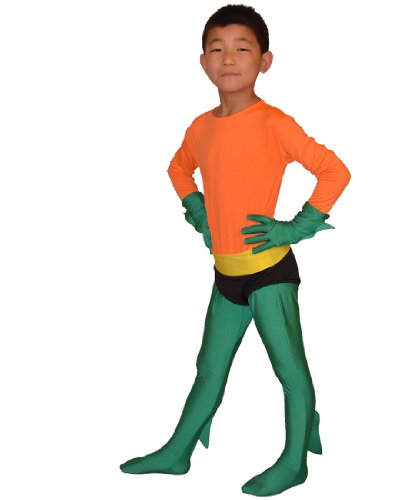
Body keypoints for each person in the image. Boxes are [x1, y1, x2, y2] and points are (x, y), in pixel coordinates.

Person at [120, 4, 351, 496]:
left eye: (242, 48)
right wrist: (199, 212)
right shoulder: (200, 128)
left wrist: (297, 228)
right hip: (225, 274)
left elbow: (335, 172)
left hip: (269, 273)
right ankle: (178, 451)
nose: (228, 58)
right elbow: (178, 168)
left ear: (264, 61)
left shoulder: (274, 123)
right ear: (203, 62)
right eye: (217, 48)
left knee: (289, 370)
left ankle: (294, 461)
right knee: (209, 369)